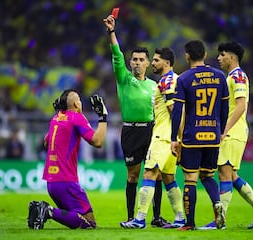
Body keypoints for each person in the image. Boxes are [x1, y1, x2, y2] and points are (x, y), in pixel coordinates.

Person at [103, 14, 168, 227]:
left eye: (141, 60)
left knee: (156, 174)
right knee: (133, 175)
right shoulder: (124, 79)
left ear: (148, 63)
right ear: (130, 62)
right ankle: (131, 217)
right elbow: (116, 54)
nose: (137, 63)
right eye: (135, 59)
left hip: (151, 130)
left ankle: (156, 217)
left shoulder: (154, 85)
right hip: (131, 131)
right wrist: (112, 32)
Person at [200, 41, 253, 230]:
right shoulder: (232, 76)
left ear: (232, 57)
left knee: (224, 174)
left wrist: (225, 129)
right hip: (235, 131)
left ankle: (219, 221)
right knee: (231, 175)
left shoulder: (237, 75)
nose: (219, 58)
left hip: (233, 132)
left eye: (222, 55)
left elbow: (241, 105)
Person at [120, 47, 185, 229]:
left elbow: (174, 111)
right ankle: (179, 217)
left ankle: (139, 219)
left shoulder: (165, 82)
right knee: (169, 178)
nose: (153, 63)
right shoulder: (178, 79)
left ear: (166, 62)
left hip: (162, 136)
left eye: (156, 60)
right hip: (172, 138)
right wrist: (181, 138)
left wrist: (178, 137)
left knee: (149, 173)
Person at [27, 89, 108, 230]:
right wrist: (103, 117)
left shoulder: (56, 118)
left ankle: (40, 210)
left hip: (52, 183)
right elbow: (98, 142)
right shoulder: (76, 118)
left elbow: (46, 142)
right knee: (89, 223)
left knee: (74, 217)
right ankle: (47, 211)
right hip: (66, 182)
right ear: (77, 104)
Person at [170, 40, 229, 230]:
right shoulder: (220, 77)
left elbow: (177, 111)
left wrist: (173, 138)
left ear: (187, 56)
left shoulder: (184, 79)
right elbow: (225, 108)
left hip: (192, 136)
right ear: (204, 55)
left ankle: (189, 223)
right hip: (213, 135)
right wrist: (221, 131)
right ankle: (217, 204)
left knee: (190, 179)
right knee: (207, 176)